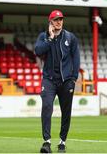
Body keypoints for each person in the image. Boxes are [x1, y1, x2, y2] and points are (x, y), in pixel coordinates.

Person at [34, 10, 80, 153]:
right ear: (50, 22)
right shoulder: (44, 36)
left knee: (66, 111)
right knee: (47, 107)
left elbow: (76, 58)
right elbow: (38, 51)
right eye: (55, 19)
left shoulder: (70, 38)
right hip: (49, 80)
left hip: (66, 81)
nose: (58, 22)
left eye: (60, 19)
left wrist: (73, 78)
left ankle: (62, 142)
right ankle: (46, 142)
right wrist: (51, 38)